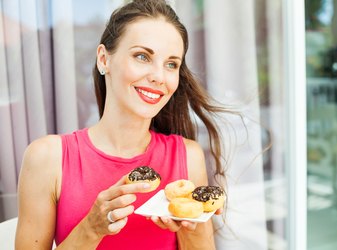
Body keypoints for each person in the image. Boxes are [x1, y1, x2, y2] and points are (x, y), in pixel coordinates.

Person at [15, 0, 230, 249]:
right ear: (104, 59)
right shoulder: (47, 158)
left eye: (171, 64)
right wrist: (91, 228)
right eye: (142, 56)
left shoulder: (187, 156)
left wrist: (190, 226)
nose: (159, 77)